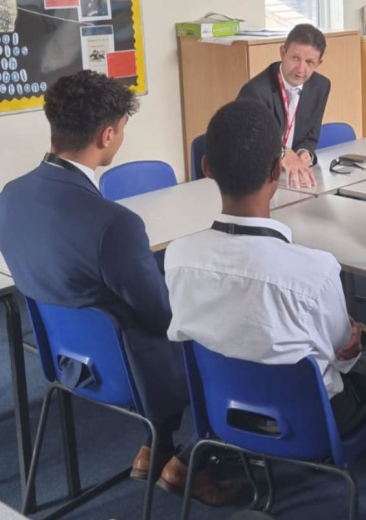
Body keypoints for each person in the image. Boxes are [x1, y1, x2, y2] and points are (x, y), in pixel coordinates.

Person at [0, 70, 238, 505]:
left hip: (63, 353)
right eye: (123, 130)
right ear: (107, 135)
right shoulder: (114, 225)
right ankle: (193, 462)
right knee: (221, 332)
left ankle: (156, 446)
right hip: (126, 367)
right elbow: (162, 318)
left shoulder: (10, 195)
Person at [165, 99, 366, 436]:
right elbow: (344, 359)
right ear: (277, 170)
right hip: (311, 422)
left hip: (225, 409)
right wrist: (353, 334)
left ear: (206, 167)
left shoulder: (176, 257)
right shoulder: (316, 270)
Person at [237, 23, 330, 189]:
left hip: (291, 181)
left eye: (309, 62)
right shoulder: (255, 91)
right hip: (256, 181)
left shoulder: (320, 87)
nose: (301, 69)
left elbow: (311, 136)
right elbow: (248, 143)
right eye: (295, 58)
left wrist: (304, 153)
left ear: (318, 64)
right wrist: (281, 153)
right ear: (283, 52)